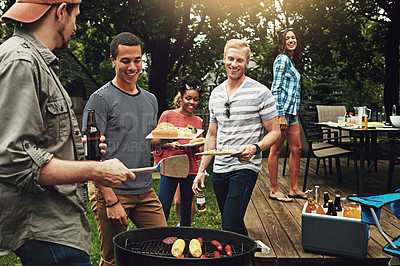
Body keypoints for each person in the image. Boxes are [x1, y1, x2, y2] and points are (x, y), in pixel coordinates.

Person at [0, 1, 134, 265]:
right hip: (44, 228)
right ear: (61, 12)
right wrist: (96, 170)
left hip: (59, 225)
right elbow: (15, 159)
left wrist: (74, 146)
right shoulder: (21, 60)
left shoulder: (40, 60)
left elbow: (39, 141)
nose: (76, 26)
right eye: (75, 16)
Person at [82, 32, 167, 266]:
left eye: (137, 60)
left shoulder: (150, 99)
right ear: (113, 60)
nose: (133, 67)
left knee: (163, 246)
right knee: (113, 258)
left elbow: (145, 140)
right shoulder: (101, 99)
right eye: (125, 60)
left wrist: (166, 141)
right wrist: (110, 200)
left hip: (145, 189)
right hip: (113, 190)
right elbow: (91, 156)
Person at [192, 39, 280, 235]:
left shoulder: (260, 92)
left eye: (239, 60)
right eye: (230, 59)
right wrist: (201, 170)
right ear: (224, 59)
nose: (234, 64)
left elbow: (275, 131)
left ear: (247, 62)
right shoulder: (215, 94)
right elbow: (212, 134)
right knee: (231, 224)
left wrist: (255, 148)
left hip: (245, 166)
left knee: (230, 223)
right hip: (220, 167)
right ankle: (244, 256)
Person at [154, 75, 203, 226]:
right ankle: (158, 238)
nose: (192, 102)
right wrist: (169, 144)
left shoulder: (198, 121)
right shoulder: (168, 115)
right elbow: (155, 142)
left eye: (195, 99)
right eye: (188, 98)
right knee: (163, 207)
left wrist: (197, 147)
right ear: (181, 97)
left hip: (190, 168)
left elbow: (199, 147)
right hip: (170, 166)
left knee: (186, 208)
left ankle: (185, 238)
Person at [267, 28, 305, 202]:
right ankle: (274, 189)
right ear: (282, 42)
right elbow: (275, 88)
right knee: (276, 149)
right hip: (282, 113)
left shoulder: (291, 61)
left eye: (293, 37)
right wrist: (280, 115)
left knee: (297, 149)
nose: (291, 40)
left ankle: (294, 189)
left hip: (293, 114)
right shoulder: (282, 60)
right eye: (287, 38)